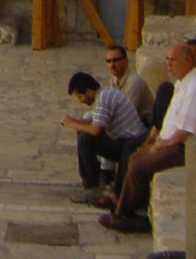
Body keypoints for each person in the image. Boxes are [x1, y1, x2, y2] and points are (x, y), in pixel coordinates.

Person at [98, 41, 196, 233]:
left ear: (188, 62)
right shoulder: (184, 83)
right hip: (174, 143)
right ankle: (128, 211)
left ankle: (125, 216)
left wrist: (162, 145)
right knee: (135, 156)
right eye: (168, 59)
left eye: (174, 60)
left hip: (188, 149)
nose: (169, 64)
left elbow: (185, 132)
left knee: (139, 165)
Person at [61, 70, 147, 201]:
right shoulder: (103, 94)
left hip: (128, 145)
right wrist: (74, 121)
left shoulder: (103, 99)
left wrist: (71, 124)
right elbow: (94, 120)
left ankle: (92, 186)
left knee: (86, 139)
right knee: (84, 133)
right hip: (122, 141)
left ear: (89, 92)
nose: (80, 101)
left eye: (80, 97)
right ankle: (91, 181)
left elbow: (95, 130)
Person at [103, 44, 154, 122]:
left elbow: (127, 114)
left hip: (142, 123)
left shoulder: (134, 82)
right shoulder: (114, 80)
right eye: (109, 61)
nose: (112, 65)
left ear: (126, 61)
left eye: (116, 60)